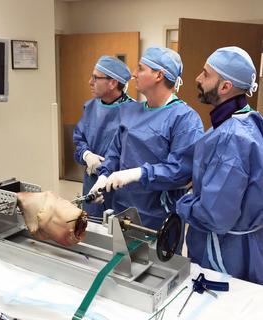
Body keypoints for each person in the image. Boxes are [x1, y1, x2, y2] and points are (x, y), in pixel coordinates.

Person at [176, 46, 263, 320]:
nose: (197, 78)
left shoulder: (231, 137)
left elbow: (216, 215)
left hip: (224, 249)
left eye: (206, 73)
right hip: (246, 244)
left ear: (226, 86)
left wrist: (183, 204)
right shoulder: (248, 120)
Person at [91, 46, 204, 233]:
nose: (134, 74)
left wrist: (137, 174)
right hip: (123, 209)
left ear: (159, 75)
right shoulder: (130, 111)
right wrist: (103, 176)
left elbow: (181, 171)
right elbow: (115, 152)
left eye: (141, 68)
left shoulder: (185, 119)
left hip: (159, 217)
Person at [73, 55, 134, 217]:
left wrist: (109, 170)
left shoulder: (134, 112)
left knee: (119, 233)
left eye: (95, 77)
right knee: (91, 229)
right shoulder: (90, 107)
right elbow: (79, 139)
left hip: (119, 187)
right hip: (92, 182)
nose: (90, 82)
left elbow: (134, 155)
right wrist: (86, 155)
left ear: (113, 83)